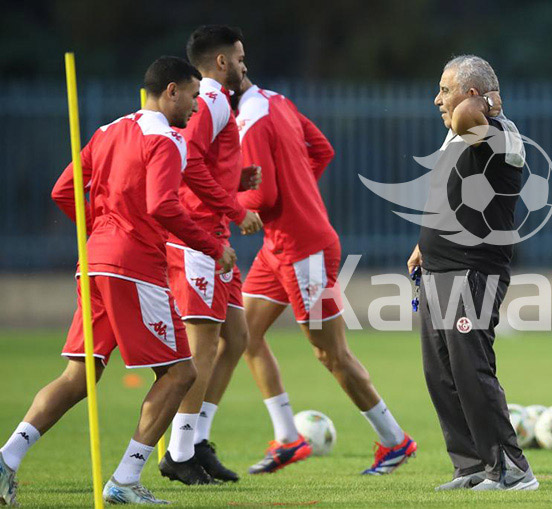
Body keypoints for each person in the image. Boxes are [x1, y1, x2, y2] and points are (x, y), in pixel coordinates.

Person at [0, 56, 236, 505]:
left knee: (79, 373)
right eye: (191, 96)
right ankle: (126, 480)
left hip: (94, 262)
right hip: (134, 265)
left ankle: (6, 458)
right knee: (180, 373)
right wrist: (212, 245)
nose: (195, 107)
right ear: (171, 90)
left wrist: (102, 226)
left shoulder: (110, 130)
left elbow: (63, 190)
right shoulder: (165, 139)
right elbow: (163, 205)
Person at [234, 77, 415, 475]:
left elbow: (260, 198)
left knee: (330, 353)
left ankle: (395, 441)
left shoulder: (249, 118)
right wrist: (297, 189)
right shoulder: (277, 102)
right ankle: (288, 438)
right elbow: (322, 149)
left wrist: (229, 203)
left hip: (304, 253)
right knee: (243, 335)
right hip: (276, 248)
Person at [408, 55, 538, 491]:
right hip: (439, 268)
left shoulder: (499, 133)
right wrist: (422, 247)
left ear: (471, 94)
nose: (436, 100)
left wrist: (480, 100)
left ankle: (512, 469)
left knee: (471, 369)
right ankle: (472, 466)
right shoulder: (460, 137)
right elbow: (450, 197)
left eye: (444, 90)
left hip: (473, 271)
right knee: (441, 372)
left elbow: (467, 114)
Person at [160, 25, 263, 485]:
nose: (245, 66)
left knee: (237, 338)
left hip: (215, 236)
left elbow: (200, 163)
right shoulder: (214, 99)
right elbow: (188, 157)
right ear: (221, 62)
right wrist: (234, 205)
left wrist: (236, 181)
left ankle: (196, 438)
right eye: (240, 58)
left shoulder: (219, 102)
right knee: (201, 350)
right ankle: (178, 453)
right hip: (199, 239)